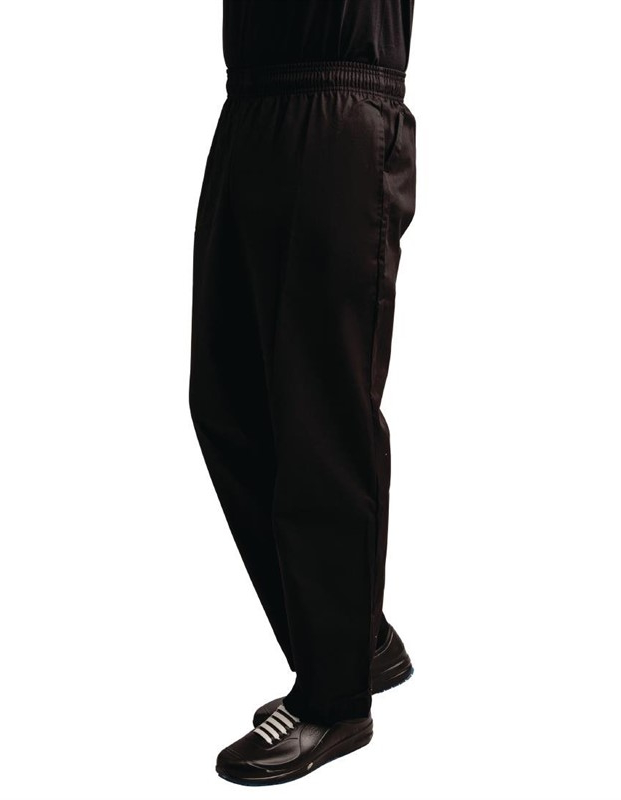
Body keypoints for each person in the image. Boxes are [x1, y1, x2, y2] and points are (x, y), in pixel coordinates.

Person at [188, 0, 417, 785]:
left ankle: (334, 700)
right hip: (250, 100)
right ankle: (356, 639)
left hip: (341, 102)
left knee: (322, 419)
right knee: (225, 402)